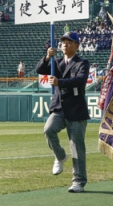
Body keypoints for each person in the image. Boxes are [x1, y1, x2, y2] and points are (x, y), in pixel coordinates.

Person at [36, 31, 90, 193]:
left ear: (77, 46)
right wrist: (47, 57)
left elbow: (80, 80)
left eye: (69, 42)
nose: (65, 44)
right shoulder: (56, 62)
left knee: (76, 146)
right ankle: (60, 156)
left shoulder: (82, 63)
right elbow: (39, 69)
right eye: (63, 42)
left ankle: (78, 181)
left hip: (76, 109)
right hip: (59, 108)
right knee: (48, 129)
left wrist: (61, 82)